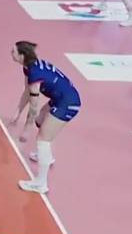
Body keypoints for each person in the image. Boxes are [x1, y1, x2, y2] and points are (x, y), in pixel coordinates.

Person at [9, 41, 80, 194]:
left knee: (43, 139)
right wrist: (18, 111)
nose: (11, 53)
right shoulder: (28, 67)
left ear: (22, 56)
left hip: (68, 102)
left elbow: (34, 107)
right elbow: (27, 92)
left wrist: (26, 129)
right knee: (41, 121)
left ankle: (41, 183)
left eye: (13, 51)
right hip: (59, 98)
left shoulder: (35, 74)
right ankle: (46, 156)